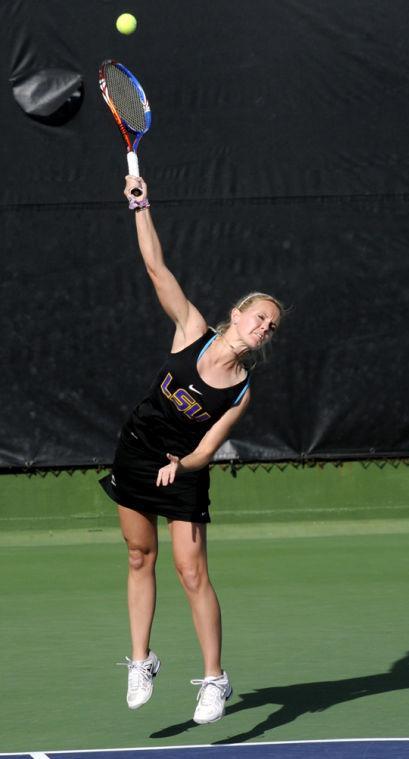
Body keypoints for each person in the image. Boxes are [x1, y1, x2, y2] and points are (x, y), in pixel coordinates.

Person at [100, 175, 283, 725]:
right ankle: (141, 660)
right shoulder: (191, 329)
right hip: (135, 449)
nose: (264, 328)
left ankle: (214, 680)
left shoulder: (241, 389)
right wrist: (141, 206)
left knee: (191, 571)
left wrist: (184, 465)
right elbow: (157, 267)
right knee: (139, 556)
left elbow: (207, 449)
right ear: (238, 312)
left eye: (271, 328)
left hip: (182, 469)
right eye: (260, 317)